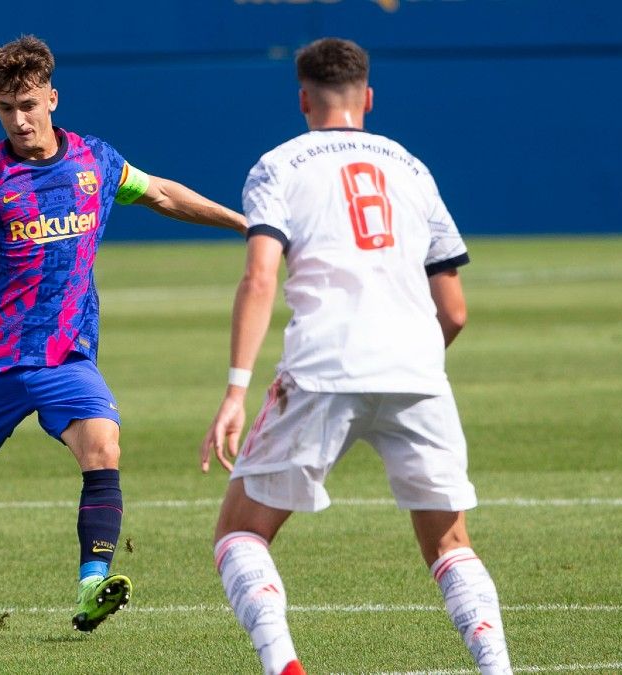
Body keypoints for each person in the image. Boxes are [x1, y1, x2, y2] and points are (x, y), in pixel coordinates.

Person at [0, 35, 246, 633]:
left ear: (52, 98)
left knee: (103, 446)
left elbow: (161, 191)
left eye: (29, 104)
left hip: (66, 355)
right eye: (7, 109)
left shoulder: (96, 162)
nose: (20, 119)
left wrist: (246, 225)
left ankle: (92, 584)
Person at [200, 38, 512, 674]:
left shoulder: (278, 166)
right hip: (417, 370)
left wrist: (236, 389)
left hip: (323, 365)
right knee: (450, 545)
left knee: (241, 533)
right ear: (367, 98)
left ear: (303, 99)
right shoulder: (412, 168)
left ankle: (282, 664)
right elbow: (453, 310)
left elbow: (261, 278)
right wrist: (412, 356)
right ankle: (496, 668)